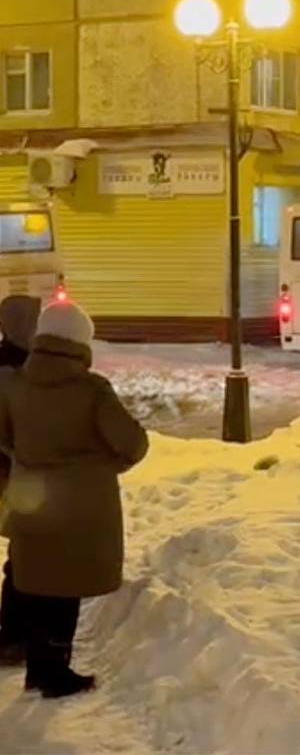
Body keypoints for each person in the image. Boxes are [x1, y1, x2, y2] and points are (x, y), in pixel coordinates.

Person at [0, 302, 148, 698]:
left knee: (34, 580)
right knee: (64, 591)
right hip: (79, 508)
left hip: (31, 498)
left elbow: (4, 436)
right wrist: (101, 465)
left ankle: (36, 665)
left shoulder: (15, 384)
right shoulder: (92, 390)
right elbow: (132, 444)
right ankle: (53, 674)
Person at [0, 295, 40, 666]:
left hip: (13, 473)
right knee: (22, 554)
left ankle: (15, 634)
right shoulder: (19, 371)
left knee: (21, 553)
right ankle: (14, 636)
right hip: (12, 474)